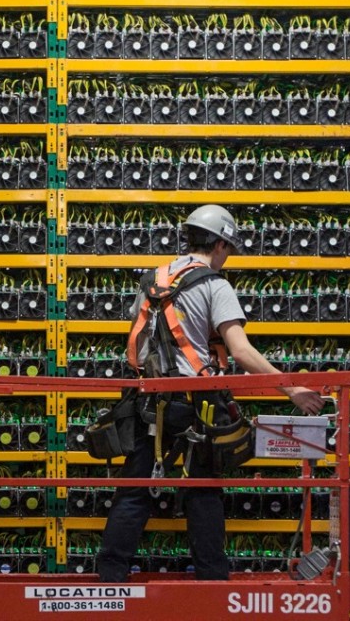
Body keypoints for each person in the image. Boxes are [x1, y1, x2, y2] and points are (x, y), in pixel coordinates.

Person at [96, 204, 325, 582]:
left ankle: (110, 578)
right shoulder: (215, 285)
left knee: (135, 489)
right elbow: (241, 351)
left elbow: (138, 343)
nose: (227, 256)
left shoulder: (154, 279)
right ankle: (212, 581)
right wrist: (293, 389)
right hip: (195, 405)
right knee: (203, 492)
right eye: (228, 249)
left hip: (149, 402)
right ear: (219, 243)